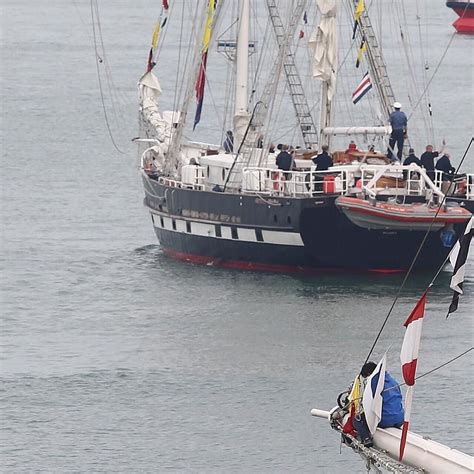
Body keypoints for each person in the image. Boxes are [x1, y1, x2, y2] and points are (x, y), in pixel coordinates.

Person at [352, 362, 404, 447]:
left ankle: (366, 439)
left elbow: (368, 404)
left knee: (357, 419)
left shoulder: (374, 383)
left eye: (366, 377)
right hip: (400, 419)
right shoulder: (393, 380)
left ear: (369, 374)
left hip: (386, 420)